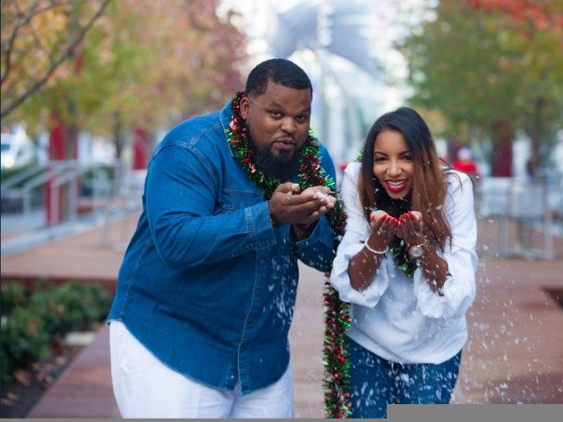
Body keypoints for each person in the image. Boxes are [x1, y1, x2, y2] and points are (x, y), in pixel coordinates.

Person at [107, 58, 344, 418]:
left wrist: (305, 225)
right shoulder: (191, 148)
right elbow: (176, 241)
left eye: (301, 117)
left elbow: (327, 256)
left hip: (262, 359)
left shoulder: (313, 161)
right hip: (172, 343)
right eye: (276, 114)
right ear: (246, 107)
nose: (290, 128)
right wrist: (270, 215)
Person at [329, 107, 478, 418]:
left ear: (423, 157)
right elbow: (353, 281)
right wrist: (376, 242)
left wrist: (419, 246)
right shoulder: (358, 179)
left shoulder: (455, 189)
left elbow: (456, 285)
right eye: (382, 158)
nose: (393, 170)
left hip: (434, 349)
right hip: (368, 341)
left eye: (405, 157)